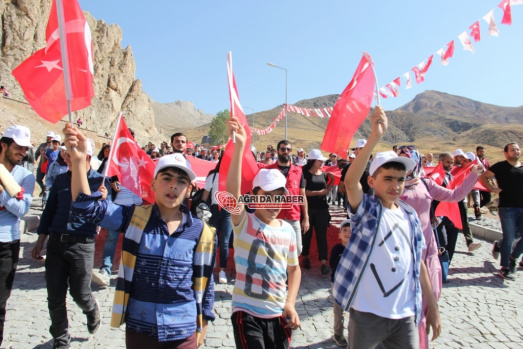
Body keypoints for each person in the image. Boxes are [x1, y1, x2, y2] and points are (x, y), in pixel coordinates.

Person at [64, 124, 216, 347]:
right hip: (140, 329)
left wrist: (205, 323)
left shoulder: (201, 231)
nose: (173, 185)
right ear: (153, 183)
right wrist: (78, 162)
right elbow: (86, 208)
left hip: (183, 332)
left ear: (189, 189)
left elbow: (206, 280)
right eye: (166, 178)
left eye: (181, 181)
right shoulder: (134, 217)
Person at [334, 106, 441, 348]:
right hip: (367, 314)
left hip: (404, 316)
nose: (396, 185)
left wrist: (432, 306)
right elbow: (350, 182)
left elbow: (419, 262)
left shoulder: (410, 215)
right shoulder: (368, 210)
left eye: (401, 179)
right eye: (388, 179)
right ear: (372, 181)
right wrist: (375, 137)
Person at [226, 117, 300, 349]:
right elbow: (231, 195)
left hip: (278, 314)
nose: (273, 203)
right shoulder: (244, 222)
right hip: (246, 313)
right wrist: (240, 147)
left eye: (279, 198)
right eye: (266, 197)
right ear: (254, 196)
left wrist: (290, 303)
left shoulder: (288, 230)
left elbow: (294, 269)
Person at [397, 145, 481, 348]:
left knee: (431, 295)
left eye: (406, 159)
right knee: (408, 299)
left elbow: (455, 195)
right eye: (399, 159)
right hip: (404, 248)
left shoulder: (425, 183)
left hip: (428, 247)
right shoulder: (392, 185)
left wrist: (473, 176)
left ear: (415, 161)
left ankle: (420, 338)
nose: (402, 164)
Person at [32, 136, 108, 349]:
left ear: (87, 156)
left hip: (82, 246)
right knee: (55, 296)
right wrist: (41, 240)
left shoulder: (100, 182)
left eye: (72, 153)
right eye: (66, 153)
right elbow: (49, 212)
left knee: (80, 293)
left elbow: (103, 216)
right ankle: (61, 339)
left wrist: (102, 200)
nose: (67, 157)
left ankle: (92, 310)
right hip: (56, 244)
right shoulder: (61, 180)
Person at [0, 125, 35, 346]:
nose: (22, 153)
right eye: (18, 147)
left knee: (0, 303)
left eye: (25, 149)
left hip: (6, 243)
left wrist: (3, 196)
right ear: (3, 145)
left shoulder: (26, 176)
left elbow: (22, 210)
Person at [480, 142, 523, 280]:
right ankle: (505, 267)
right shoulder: (501, 166)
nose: (516, 151)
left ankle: (512, 256)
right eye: (512, 150)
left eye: (517, 149)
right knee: (509, 237)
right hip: (507, 208)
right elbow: (483, 177)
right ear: (506, 153)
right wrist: (492, 189)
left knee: (519, 236)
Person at [264, 140, 309, 257]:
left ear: (291, 152)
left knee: (297, 249)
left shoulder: (298, 171)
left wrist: (306, 218)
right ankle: (281, 274)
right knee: (274, 249)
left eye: (288, 149)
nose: (285, 152)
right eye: (283, 149)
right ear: (278, 151)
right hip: (274, 217)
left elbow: (302, 196)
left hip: (293, 217)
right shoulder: (269, 170)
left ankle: (288, 272)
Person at [302, 149, 334, 275]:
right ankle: (306, 257)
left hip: (322, 209)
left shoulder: (324, 174)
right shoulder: (304, 174)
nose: (322, 162)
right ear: (312, 161)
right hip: (308, 209)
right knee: (307, 235)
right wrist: (320, 193)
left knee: (322, 235)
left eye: (322, 160)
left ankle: (324, 263)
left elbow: (326, 190)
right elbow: (303, 193)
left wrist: (331, 183)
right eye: (319, 160)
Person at [201, 158, 232, 284]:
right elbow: (205, 195)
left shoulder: (233, 176)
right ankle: (211, 264)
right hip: (214, 210)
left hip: (228, 210)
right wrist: (202, 208)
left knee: (225, 241)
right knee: (213, 240)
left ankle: (222, 270)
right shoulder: (213, 176)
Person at [329, 219, 351, 347]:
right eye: (345, 230)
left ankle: (353, 333)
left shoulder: (356, 249)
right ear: (339, 234)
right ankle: (338, 333)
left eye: (350, 231)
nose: (348, 233)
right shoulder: (337, 249)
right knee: (338, 310)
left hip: (353, 286)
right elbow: (333, 265)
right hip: (337, 283)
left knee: (354, 312)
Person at [471, 146, 491, 219]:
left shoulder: (486, 160)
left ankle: (477, 207)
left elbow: (488, 169)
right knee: (477, 197)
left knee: (487, 198)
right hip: (477, 181)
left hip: (485, 181)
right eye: (480, 151)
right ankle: (478, 214)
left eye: (482, 151)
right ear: (477, 152)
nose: (481, 153)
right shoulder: (474, 160)